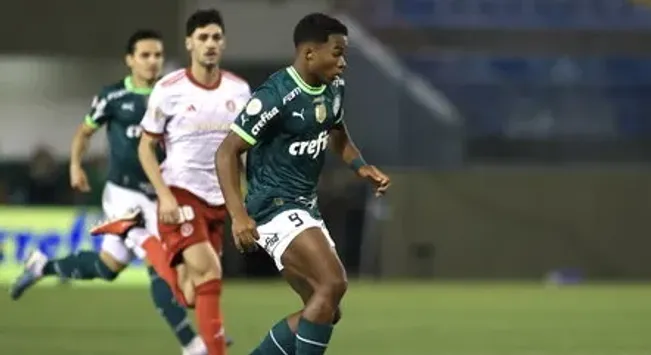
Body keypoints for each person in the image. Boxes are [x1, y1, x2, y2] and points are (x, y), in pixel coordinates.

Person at [9, 29, 209, 355]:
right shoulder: (113, 97)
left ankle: (41, 265)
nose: (152, 61)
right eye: (145, 55)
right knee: (159, 264)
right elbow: (84, 132)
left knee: (107, 267)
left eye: (157, 55)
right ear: (130, 60)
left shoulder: (173, 96)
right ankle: (192, 344)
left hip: (159, 195)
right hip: (124, 198)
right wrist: (75, 164)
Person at [215, 13, 391, 355]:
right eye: (337, 53)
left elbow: (336, 132)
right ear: (310, 53)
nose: (343, 63)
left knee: (327, 309)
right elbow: (226, 153)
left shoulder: (333, 87)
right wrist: (238, 216)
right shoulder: (275, 95)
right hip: (273, 204)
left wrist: (361, 167)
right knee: (333, 283)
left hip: (305, 205)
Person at [95, 9, 250, 355]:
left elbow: (241, 150)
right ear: (189, 43)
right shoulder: (169, 89)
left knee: (191, 293)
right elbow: (146, 148)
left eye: (215, 37)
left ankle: (137, 236)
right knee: (210, 273)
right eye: (202, 38)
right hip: (181, 194)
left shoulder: (239, 91)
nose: (209, 44)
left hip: (218, 198)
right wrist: (164, 197)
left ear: (223, 43)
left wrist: (244, 194)